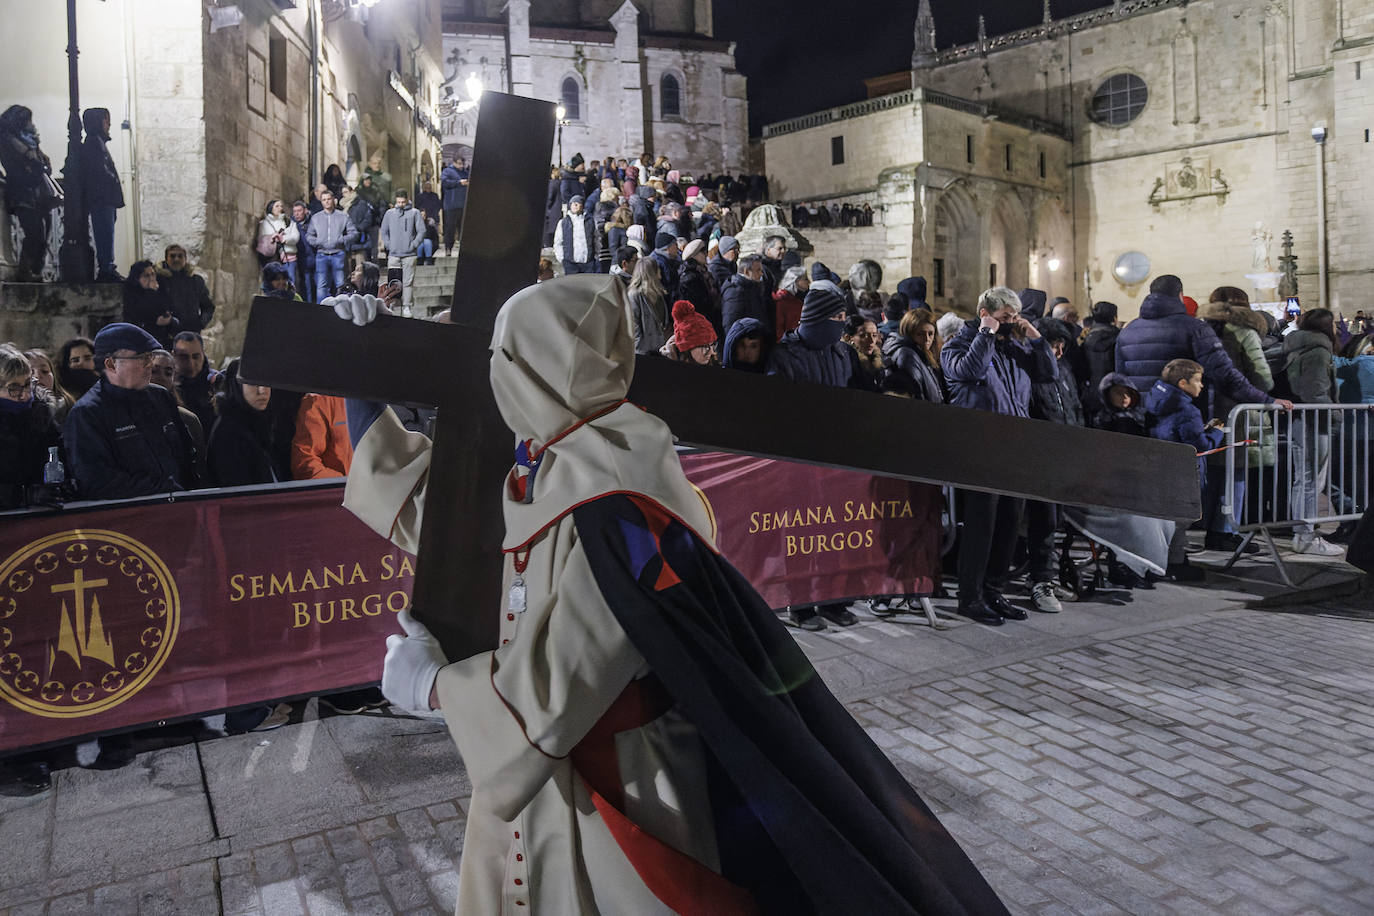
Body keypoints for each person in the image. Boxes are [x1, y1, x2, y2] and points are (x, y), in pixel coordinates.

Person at [332, 275, 1006, 914]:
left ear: (532, 371)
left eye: (501, 356)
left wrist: (434, 688)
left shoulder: (620, 501)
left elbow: (564, 683)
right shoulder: (571, 458)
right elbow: (466, 536)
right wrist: (361, 377)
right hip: (555, 778)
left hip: (623, 790)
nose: (492, 371)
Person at [941, 287, 1057, 625]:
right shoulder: (958, 346)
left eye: (1013, 319)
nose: (1011, 325)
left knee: (1009, 525)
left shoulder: (1013, 349)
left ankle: (994, 590)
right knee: (982, 526)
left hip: (1015, 449)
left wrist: (1035, 337)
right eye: (1005, 318)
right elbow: (972, 371)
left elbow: (1047, 374)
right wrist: (986, 333)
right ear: (985, 314)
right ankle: (970, 596)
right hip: (980, 449)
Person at [62, 323, 198, 500]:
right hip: (129, 518)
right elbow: (98, 481)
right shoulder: (87, 414)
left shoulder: (160, 397)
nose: (151, 364)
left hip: (180, 508)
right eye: (143, 358)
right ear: (111, 364)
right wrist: (165, 492)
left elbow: (187, 454)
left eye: (150, 356)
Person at [1115, 275, 1287, 413]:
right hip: (1184, 416)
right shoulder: (1196, 329)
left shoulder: (1127, 332)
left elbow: (1121, 379)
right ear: (1180, 296)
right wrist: (1267, 400)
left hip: (1142, 416)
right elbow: (1225, 375)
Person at [1198, 289, 1273, 553]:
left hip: (1206, 409)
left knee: (1213, 470)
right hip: (1239, 411)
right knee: (1236, 473)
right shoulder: (1245, 332)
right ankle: (1226, 530)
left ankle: (1210, 525)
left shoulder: (1203, 331)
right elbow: (1262, 375)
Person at [1025, 319, 1085, 613]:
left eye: (1062, 345)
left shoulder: (1064, 370)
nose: (1059, 351)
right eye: (1053, 345)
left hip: (1065, 455)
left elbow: (1074, 407)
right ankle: (1040, 581)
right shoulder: (1031, 371)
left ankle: (1047, 575)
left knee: (1056, 520)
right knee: (1043, 522)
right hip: (1040, 457)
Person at [1145, 359, 1224, 579]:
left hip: (1161, 467)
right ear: (1182, 383)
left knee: (1169, 519)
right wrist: (1217, 432)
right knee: (1179, 520)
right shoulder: (1187, 410)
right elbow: (1200, 445)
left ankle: (1171, 560)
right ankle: (1174, 563)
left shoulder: (1154, 399)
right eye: (1197, 381)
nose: (1201, 386)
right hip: (1183, 472)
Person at [1283, 309, 1345, 556]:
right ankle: (1306, 536)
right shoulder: (1318, 351)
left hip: (1304, 420)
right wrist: (1335, 415)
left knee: (1306, 480)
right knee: (1310, 481)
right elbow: (1316, 391)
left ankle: (1303, 534)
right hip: (1314, 421)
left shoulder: (1299, 346)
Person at [207, 357, 288, 487]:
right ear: (236, 386)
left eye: (266, 382)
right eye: (252, 383)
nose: (262, 391)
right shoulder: (227, 432)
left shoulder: (264, 423)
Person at [0, 345, 63, 510]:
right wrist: (23, 495)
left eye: (28, 384)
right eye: (14, 388)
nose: (25, 394)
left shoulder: (42, 417)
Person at [0, 105, 57, 282]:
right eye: (28, 120)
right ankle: (26, 270)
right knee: (34, 232)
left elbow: (40, 163)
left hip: (38, 192)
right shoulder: (9, 141)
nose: (31, 124)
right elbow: (17, 165)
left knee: (44, 232)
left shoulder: (30, 141)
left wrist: (41, 160)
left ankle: (35, 270)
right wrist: (32, 164)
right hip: (22, 192)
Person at [80, 108, 125, 282]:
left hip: (105, 198)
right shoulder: (93, 143)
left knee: (107, 231)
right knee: (104, 233)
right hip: (102, 198)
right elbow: (99, 170)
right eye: (106, 121)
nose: (109, 125)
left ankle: (107, 266)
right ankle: (106, 268)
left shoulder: (97, 143)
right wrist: (111, 179)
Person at [306, 188, 359, 302]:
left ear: (333, 200)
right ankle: (321, 310)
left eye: (329, 199)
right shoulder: (316, 218)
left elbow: (353, 233)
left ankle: (342, 309)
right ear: (321, 202)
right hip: (321, 254)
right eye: (324, 199)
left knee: (340, 284)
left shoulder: (343, 216)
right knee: (321, 285)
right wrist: (318, 242)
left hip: (338, 253)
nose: (326, 201)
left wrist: (341, 240)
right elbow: (309, 235)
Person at [881, 309, 944, 402]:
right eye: (920, 334)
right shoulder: (908, 355)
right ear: (909, 333)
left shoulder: (921, 353)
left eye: (930, 334)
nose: (927, 339)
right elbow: (916, 396)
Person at [379, 189, 425, 315]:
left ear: (407, 200)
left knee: (408, 282)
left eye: (403, 202)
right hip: (394, 254)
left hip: (409, 254)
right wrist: (389, 245)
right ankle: (392, 303)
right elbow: (384, 231)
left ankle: (406, 306)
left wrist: (413, 244)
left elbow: (422, 230)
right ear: (395, 201)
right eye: (398, 202)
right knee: (393, 282)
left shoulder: (414, 213)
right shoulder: (389, 213)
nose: (401, 204)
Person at [291, 392, 353, 479]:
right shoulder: (318, 401)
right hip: (345, 489)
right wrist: (347, 485)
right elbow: (305, 463)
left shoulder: (376, 398)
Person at [157, 244, 215, 333]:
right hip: (166, 334)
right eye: (172, 256)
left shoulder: (196, 281)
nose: (176, 259)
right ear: (166, 258)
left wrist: (201, 323)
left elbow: (208, 306)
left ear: (185, 259)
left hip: (191, 332)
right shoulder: (158, 280)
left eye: (180, 256)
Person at [122, 260, 179, 349]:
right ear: (137, 278)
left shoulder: (161, 288)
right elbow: (140, 313)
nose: (151, 278)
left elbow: (169, 307)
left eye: (153, 274)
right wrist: (151, 292)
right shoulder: (131, 294)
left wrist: (169, 320)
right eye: (146, 275)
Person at [1080, 301, 1121, 410]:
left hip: (1091, 393)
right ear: (1114, 318)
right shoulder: (1120, 338)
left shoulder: (1084, 339)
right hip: (1116, 393)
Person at [721, 254, 771, 340]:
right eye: (758, 270)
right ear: (746, 271)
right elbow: (730, 324)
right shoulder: (735, 292)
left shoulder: (753, 287)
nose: (761, 274)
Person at [627, 256, 669, 355]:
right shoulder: (634, 295)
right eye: (657, 269)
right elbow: (634, 326)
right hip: (644, 351)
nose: (660, 272)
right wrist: (639, 350)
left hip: (660, 348)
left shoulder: (658, 293)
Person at [676, 239, 720, 333]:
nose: (706, 255)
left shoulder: (703, 271)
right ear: (695, 255)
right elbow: (698, 304)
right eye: (703, 252)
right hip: (701, 322)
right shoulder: (690, 277)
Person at [553, 194, 600, 275]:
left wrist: (595, 255)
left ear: (582, 205)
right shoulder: (563, 222)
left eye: (577, 203)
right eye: (573, 203)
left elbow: (596, 239)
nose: (575, 205)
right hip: (570, 263)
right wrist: (562, 258)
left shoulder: (590, 221)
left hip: (588, 262)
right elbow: (558, 242)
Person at [669, 300, 719, 366]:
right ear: (687, 348)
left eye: (713, 345)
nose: (711, 352)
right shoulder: (665, 368)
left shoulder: (713, 365)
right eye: (705, 347)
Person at [843, 315, 884, 390]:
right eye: (863, 336)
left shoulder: (879, 358)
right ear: (848, 338)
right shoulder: (846, 362)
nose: (871, 341)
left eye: (874, 335)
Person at [56, 337, 99, 404]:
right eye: (75, 360)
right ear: (67, 364)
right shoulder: (62, 394)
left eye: (87, 358)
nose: (81, 362)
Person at [440, 157, 469, 255]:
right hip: (450, 205)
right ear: (454, 163)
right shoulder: (447, 171)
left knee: (463, 228)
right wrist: (459, 182)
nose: (461, 166)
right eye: (459, 163)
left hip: (463, 205)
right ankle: (448, 248)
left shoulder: (465, 173)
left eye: (462, 164)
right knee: (450, 228)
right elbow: (445, 183)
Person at [256, 199, 298, 266]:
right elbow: (261, 240)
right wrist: (272, 237)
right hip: (271, 256)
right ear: (271, 208)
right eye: (277, 206)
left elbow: (295, 237)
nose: (280, 208)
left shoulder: (288, 222)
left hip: (287, 256)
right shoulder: (264, 223)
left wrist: (283, 238)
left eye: (281, 206)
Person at [772, 266, 809, 341]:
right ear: (795, 280)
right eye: (805, 279)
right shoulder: (783, 299)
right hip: (789, 344)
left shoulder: (802, 297)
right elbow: (779, 326)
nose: (809, 281)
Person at [290, 200, 315, 296]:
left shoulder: (312, 222)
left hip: (313, 256)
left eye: (299, 211)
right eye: (295, 211)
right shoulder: (291, 224)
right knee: (304, 284)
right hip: (299, 258)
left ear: (305, 211)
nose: (296, 213)